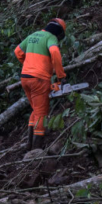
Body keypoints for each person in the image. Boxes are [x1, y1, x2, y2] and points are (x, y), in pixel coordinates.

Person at [14, 18, 67, 151]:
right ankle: (36, 148)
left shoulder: (33, 35)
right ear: (59, 32)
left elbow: (18, 52)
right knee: (41, 113)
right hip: (39, 80)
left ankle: (29, 144)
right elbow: (54, 51)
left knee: (36, 110)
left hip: (25, 78)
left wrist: (28, 66)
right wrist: (60, 75)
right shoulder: (51, 37)